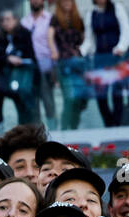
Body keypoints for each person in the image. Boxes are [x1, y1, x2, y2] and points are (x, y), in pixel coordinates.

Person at [85, 0, 129, 128]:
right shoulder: (91, 14)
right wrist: (82, 51)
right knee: (101, 94)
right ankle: (108, 124)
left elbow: (126, 31)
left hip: (116, 58)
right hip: (100, 59)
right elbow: (89, 39)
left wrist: (121, 48)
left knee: (116, 92)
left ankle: (117, 123)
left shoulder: (117, 8)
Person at [0, 10, 38, 127]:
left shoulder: (24, 34)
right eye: (3, 20)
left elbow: (31, 55)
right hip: (6, 81)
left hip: (24, 77)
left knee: (27, 107)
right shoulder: (2, 37)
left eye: (8, 19)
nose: (5, 23)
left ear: (15, 20)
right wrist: (8, 58)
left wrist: (19, 59)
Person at [49, 0, 88, 129]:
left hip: (78, 63)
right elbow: (49, 37)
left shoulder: (78, 19)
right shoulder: (55, 19)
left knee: (80, 99)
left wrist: (82, 51)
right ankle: (65, 130)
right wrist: (54, 51)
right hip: (64, 64)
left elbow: (85, 38)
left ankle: (74, 128)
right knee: (69, 98)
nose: (66, 3)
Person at [22, 0, 56, 126]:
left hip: (47, 65)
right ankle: (37, 135)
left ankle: (54, 133)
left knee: (48, 101)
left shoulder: (50, 19)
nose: (35, 1)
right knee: (33, 104)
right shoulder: (24, 21)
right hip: (30, 67)